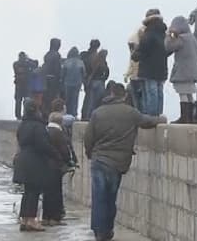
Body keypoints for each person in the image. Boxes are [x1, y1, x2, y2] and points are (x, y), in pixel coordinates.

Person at [84, 83, 166, 241]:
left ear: (110, 94)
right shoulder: (130, 112)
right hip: (117, 163)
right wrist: (161, 119)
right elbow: (147, 122)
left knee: (98, 197)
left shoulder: (97, 113)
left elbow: (88, 138)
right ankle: (107, 230)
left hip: (99, 160)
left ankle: (98, 230)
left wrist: (90, 154)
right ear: (124, 96)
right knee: (110, 198)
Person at [12, 99, 61, 232]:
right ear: (36, 110)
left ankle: (25, 219)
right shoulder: (37, 126)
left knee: (27, 192)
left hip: (23, 160)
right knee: (34, 191)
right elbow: (43, 145)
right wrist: (56, 155)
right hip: (34, 162)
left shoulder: (23, 125)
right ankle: (32, 220)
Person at [165, 16, 197, 124]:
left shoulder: (182, 39)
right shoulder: (192, 38)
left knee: (183, 94)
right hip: (193, 70)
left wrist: (169, 35)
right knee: (189, 94)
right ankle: (190, 117)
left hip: (182, 71)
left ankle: (184, 117)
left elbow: (168, 47)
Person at [133, 9, 168, 116]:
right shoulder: (163, 34)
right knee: (159, 91)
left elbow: (141, 52)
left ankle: (150, 115)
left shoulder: (148, 34)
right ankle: (158, 114)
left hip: (148, 69)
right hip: (161, 68)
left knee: (150, 92)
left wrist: (135, 54)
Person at [42, 112, 71, 227]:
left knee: (47, 193)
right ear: (60, 122)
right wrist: (69, 161)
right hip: (55, 166)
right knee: (56, 193)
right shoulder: (58, 133)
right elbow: (64, 150)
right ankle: (55, 218)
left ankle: (45, 217)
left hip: (44, 165)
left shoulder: (45, 130)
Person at [13, 52, 38, 120]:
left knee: (18, 101)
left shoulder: (15, 64)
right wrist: (28, 59)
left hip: (19, 85)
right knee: (26, 100)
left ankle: (18, 115)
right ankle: (25, 114)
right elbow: (35, 64)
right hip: (25, 85)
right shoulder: (27, 63)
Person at [80, 39, 101, 120]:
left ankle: (84, 115)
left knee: (87, 99)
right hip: (92, 79)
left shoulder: (84, 55)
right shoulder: (96, 56)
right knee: (91, 100)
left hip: (85, 79)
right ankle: (88, 116)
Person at [62, 47, 85, 117]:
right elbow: (84, 73)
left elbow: (63, 74)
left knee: (67, 100)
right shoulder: (81, 62)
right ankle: (73, 115)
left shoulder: (66, 62)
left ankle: (65, 114)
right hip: (77, 84)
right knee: (75, 100)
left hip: (67, 83)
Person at [43, 38, 62, 118]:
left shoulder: (47, 54)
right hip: (54, 79)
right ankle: (51, 114)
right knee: (53, 97)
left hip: (46, 78)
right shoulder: (56, 55)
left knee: (47, 98)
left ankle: (46, 113)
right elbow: (57, 69)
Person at [86, 49, 109, 117]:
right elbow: (107, 72)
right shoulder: (103, 63)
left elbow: (92, 73)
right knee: (98, 101)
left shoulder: (95, 61)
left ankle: (89, 115)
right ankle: (95, 116)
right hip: (100, 82)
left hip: (93, 82)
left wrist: (89, 81)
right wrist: (104, 79)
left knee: (91, 101)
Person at [124, 31, 144, 111]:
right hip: (134, 79)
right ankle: (138, 112)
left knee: (139, 99)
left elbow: (131, 67)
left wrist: (127, 75)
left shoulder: (138, 54)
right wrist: (126, 75)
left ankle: (140, 112)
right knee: (136, 99)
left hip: (138, 78)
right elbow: (131, 67)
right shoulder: (133, 55)